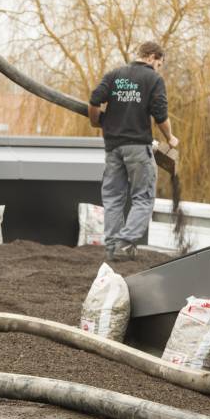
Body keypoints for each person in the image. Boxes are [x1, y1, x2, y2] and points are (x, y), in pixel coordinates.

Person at [89, 41, 179, 261]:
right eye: (160, 63)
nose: (159, 68)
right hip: (138, 147)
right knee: (143, 197)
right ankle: (125, 241)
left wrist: (96, 123)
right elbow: (160, 115)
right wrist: (170, 138)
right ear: (151, 57)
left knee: (112, 197)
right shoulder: (153, 79)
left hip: (113, 147)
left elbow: (93, 101)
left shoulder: (114, 75)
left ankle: (111, 246)